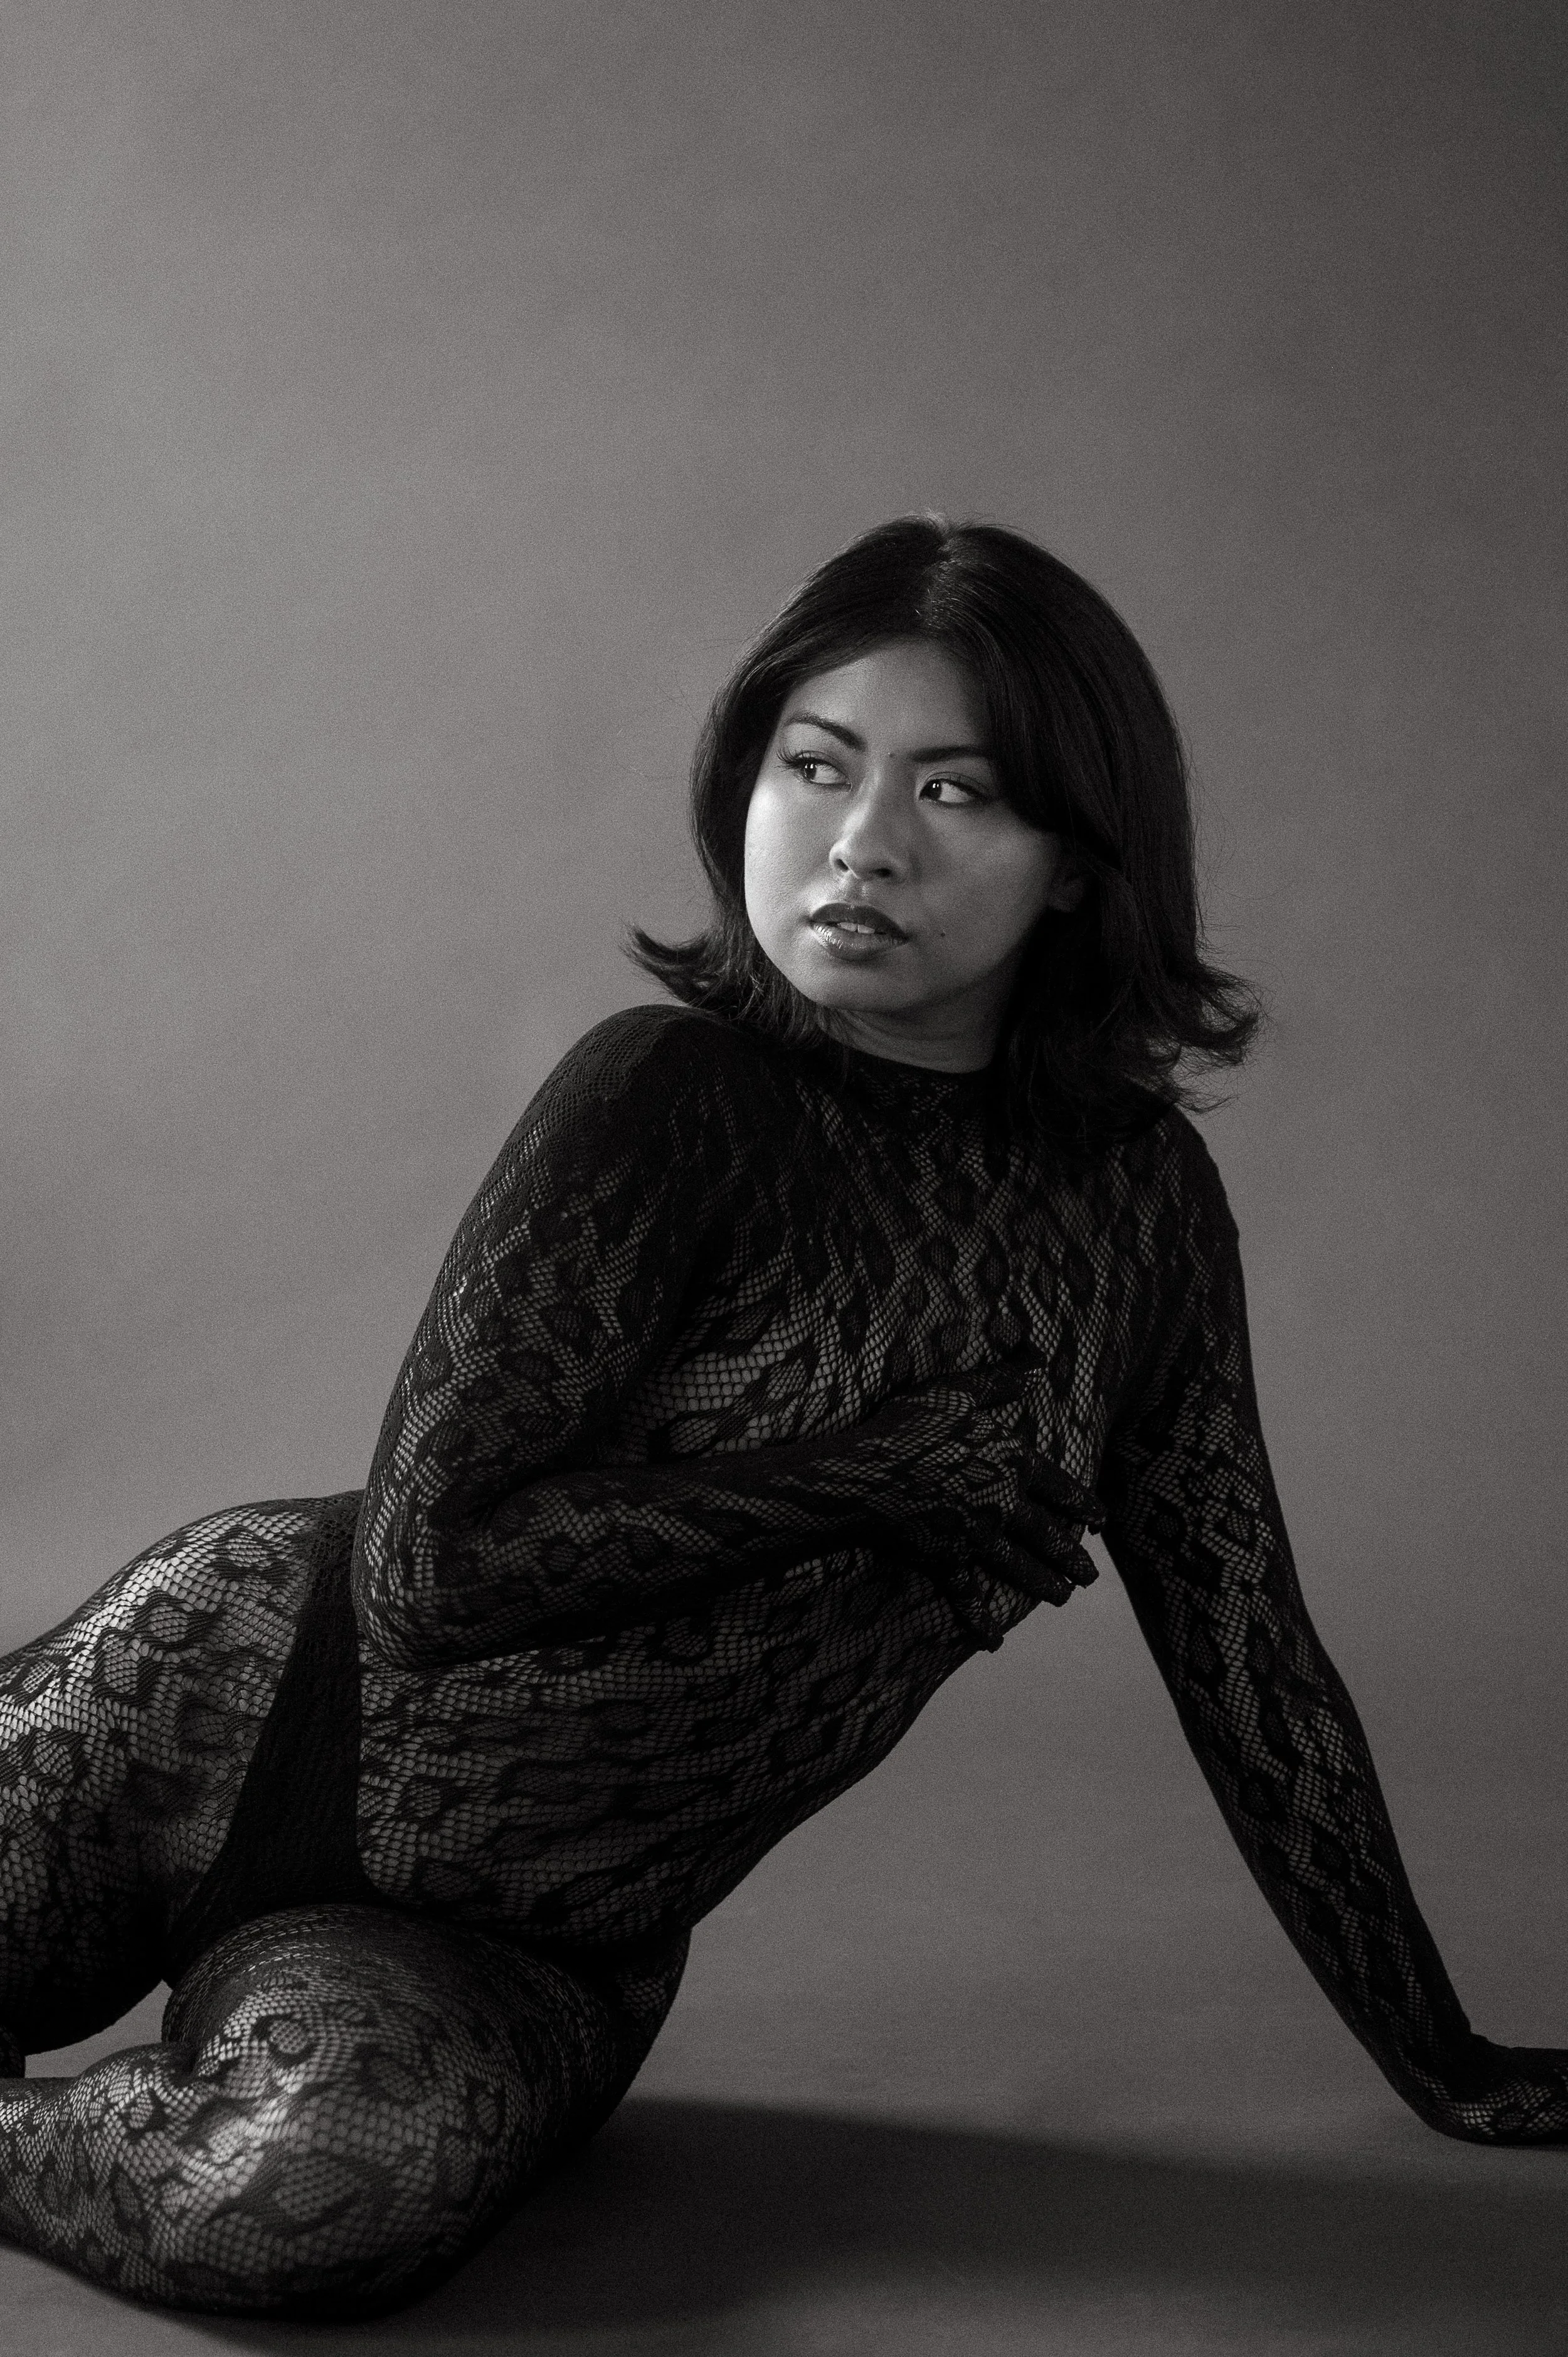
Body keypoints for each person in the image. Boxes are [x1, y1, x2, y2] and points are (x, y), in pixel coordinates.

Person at [2, 516, 1564, 2321]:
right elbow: (434, 1570)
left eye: (956, 792)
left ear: (1076, 861)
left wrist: (1440, 2053)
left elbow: (1252, 1666)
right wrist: (867, 1476)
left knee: (306, 2202)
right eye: (811, 767)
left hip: (519, 1941)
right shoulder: (663, 1094)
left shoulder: (1139, 1216)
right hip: (224, 1699)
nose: (859, 843)